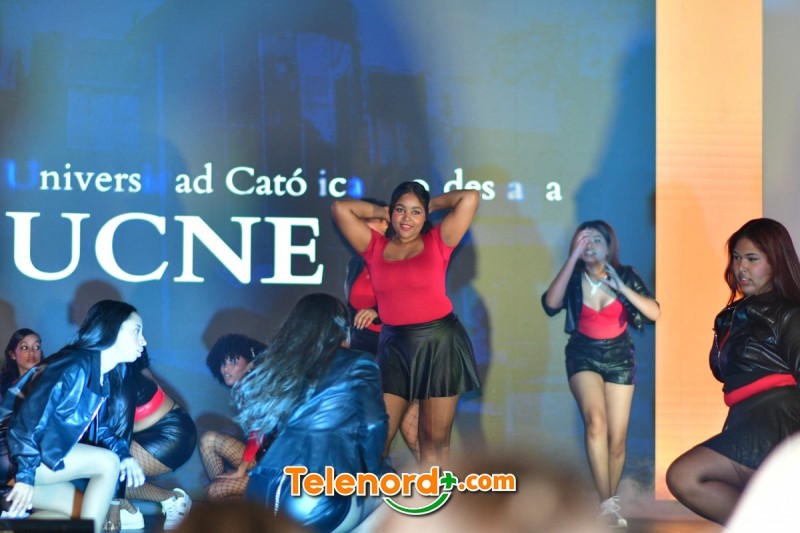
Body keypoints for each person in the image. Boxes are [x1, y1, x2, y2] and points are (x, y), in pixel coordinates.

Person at [331, 182, 481, 465]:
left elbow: (470, 197)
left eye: (415, 212)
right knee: (376, 438)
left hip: (439, 344)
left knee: (433, 440)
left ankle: (438, 494)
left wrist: (430, 204)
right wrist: (382, 211)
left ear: (425, 217)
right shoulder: (374, 247)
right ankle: (369, 493)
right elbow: (340, 208)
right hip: (394, 346)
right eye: (401, 210)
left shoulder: (439, 240)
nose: (407, 218)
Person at [666, 218, 800, 525]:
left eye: (752, 259)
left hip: (775, 423)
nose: (741, 268)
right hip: (744, 420)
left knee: (685, 475)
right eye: (737, 258)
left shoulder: (789, 314)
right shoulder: (730, 316)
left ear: (776, 262)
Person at [233, 293, 388, 532]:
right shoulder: (359, 362)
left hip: (261, 488)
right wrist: (374, 474)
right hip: (314, 490)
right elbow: (373, 425)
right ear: (341, 327)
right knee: (401, 494)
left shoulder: (281, 365)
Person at [542, 220, 660, 527]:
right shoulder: (573, 276)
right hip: (583, 354)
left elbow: (654, 313)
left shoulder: (625, 275)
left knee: (616, 439)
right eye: (583, 240)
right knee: (596, 422)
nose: (590, 245)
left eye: (596, 240)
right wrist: (572, 257)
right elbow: (551, 304)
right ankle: (606, 503)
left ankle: (611, 502)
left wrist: (622, 288)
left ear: (609, 247)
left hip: (620, 357)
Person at [0, 299, 146, 533]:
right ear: (111, 329)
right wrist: (25, 476)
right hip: (12, 455)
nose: (143, 340)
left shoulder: (101, 373)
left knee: (80, 516)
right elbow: (26, 422)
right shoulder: (74, 365)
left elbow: (102, 428)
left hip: (29, 455)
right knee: (107, 463)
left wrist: (124, 455)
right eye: (137, 331)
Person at [343, 197, 420, 462]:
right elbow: (351, 308)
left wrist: (378, 310)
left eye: (368, 220)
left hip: (393, 348)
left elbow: (413, 300)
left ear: (386, 224)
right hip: (362, 353)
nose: (360, 226)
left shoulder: (400, 256)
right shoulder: (356, 263)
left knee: (408, 430)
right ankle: (368, 482)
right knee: (371, 431)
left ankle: (443, 483)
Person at [107, 348, 197, 531]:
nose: (142, 341)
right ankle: (129, 512)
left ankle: (172, 498)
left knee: (107, 468)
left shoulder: (125, 375)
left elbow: (118, 436)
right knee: (97, 467)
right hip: (156, 433)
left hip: (170, 435)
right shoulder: (116, 372)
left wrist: (113, 506)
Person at [199, 334, 267, 502]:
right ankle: (227, 501)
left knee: (214, 491)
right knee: (208, 440)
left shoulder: (260, 389)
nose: (226, 369)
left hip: (278, 468)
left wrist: (240, 470)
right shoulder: (244, 390)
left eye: (233, 362)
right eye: (223, 363)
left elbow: (258, 434)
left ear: (250, 364)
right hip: (260, 459)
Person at [1, 328, 44, 394]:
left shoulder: (51, 382)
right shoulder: (6, 391)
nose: (32, 352)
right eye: (25, 347)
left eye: (36, 347)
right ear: (13, 354)